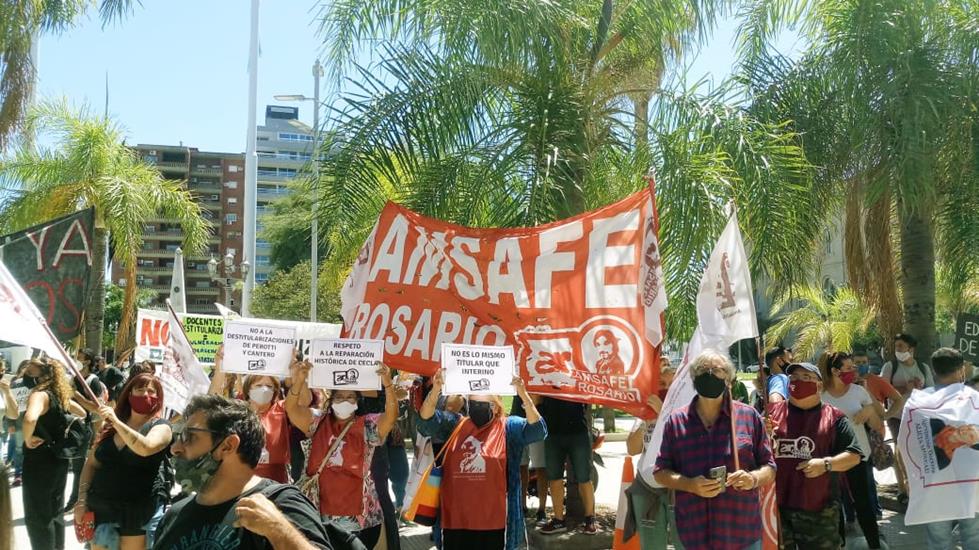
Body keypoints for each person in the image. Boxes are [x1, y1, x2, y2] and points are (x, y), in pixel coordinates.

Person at [151, 394, 332, 549]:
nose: (175, 448)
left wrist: (280, 531)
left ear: (228, 446)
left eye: (188, 436)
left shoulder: (280, 504)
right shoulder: (174, 516)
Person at [653, 350, 776, 550]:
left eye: (716, 370)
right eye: (703, 369)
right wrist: (689, 484)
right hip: (694, 533)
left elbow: (769, 468)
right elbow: (660, 472)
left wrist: (752, 479)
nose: (709, 373)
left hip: (741, 532)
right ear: (694, 378)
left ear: (728, 379)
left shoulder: (749, 416)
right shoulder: (676, 421)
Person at [417, 369, 546, 550]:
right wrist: (436, 389)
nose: (476, 408)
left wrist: (523, 395)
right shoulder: (454, 424)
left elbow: (538, 431)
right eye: (473, 403)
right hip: (455, 521)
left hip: (495, 524)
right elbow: (425, 422)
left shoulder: (509, 427)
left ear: (495, 406)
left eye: (482, 404)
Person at [285, 359, 398, 548]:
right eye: (339, 397)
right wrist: (300, 380)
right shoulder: (317, 422)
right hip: (320, 513)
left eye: (350, 397)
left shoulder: (368, 425)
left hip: (360, 517)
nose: (344, 401)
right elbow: (292, 409)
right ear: (331, 400)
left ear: (357, 402)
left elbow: (391, 416)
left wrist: (387, 383)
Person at [74, 373, 173, 550]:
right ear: (129, 394)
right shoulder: (109, 428)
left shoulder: (161, 426)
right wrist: (81, 500)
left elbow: (145, 447)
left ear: (158, 399)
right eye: (140, 389)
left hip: (138, 514)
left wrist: (117, 422)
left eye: (151, 391)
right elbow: (91, 464)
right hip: (102, 511)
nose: (145, 395)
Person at [769, 362, 862, 549]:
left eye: (806, 377)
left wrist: (825, 464)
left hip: (819, 511)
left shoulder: (834, 418)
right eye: (794, 377)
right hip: (777, 509)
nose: (798, 381)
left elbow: (854, 455)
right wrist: (763, 434)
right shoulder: (771, 415)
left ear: (819, 385)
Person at [905, 347, 979, 549]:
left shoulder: (917, 402)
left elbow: (907, 443)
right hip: (972, 483)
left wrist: (910, 476)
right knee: (973, 536)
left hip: (933, 483)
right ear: (962, 369)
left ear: (933, 370)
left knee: (939, 540)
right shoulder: (974, 399)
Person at [818, 352, 884, 548]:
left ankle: (875, 545)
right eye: (849, 368)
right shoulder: (820, 394)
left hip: (859, 456)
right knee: (835, 507)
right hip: (831, 459)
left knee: (864, 505)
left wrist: (870, 411)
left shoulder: (858, 392)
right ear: (835, 371)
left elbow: (877, 424)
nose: (853, 372)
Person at [21, 358, 87, 550]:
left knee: (38, 515)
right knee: (54, 512)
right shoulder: (59, 394)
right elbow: (82, 412)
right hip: (58, 459)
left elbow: (29, 418)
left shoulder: (40, 394)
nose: (26, 375)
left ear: (40, 374)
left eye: (30, 372)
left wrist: (27, 438)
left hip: (39, 460)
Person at [209, 346, 299, 483]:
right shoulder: (237, 409)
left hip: (275, 482)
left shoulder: (282, 409)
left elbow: (303, 402)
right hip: (239, 480)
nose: (264, 389)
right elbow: (212, 401)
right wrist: (220, 366)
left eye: (269, 386)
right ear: (248, 389)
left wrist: (296, 374)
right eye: (259, 385)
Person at [628, 362, 685, 548]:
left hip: (678, 490)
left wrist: (664, 414)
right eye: (662, 384)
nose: (667, 389)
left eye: (672, 384)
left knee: (683, 543)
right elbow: (632, 448)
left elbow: (684, 445)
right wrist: (646, 420)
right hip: (647, 489)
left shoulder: (686, 413)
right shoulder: (645, 413)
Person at [879, 333, 933, 504]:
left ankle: (917, 485)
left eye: (901, 347)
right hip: (896, 415)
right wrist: (904, 388)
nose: (898, 350)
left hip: (918, 417)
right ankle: (903, 489)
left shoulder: (923, 368)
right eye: (897, 347)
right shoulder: (890, 366)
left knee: (916, 451)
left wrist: (919, 388)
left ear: (911, 349)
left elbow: (932, 393)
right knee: (900, 448)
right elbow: (882, 391)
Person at [537, 394, 598, 535]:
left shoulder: (577, 372)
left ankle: (590, 519)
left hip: (578, 431)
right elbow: (536, 399)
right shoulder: (544, 374)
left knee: (584, 477)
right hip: (552, 431)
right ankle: (559, 520)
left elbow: (590, 393)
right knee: (554, 477)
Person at [66, 348, 109, 512]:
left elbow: (96, 407)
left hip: (83, 428)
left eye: (80, 357)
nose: (77, 359)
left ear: (88, 361)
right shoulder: (72, 379)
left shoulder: (93, 381)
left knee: (79, 468)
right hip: (68, 425)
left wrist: (76, 395)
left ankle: (76, 500)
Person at [511, 393, 549, 525]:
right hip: (517, 423)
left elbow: (539, 398)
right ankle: (521, 507)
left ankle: (542, 510)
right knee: (520, 466)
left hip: (535, 423)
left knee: (540, 467)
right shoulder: (515, 374)